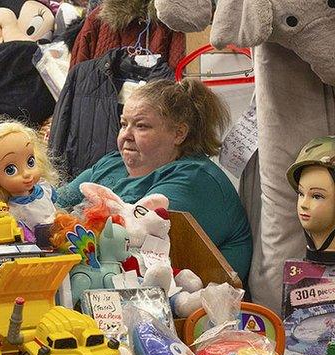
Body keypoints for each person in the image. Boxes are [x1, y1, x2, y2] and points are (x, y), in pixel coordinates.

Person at [56, 78, 252, 284]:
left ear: (179, 133)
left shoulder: (195, 179)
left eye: (141, 126)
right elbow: (54, 204)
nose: (126, 135)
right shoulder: (111, 163)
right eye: (124, 124)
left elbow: (130, 240)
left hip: (194, 306)